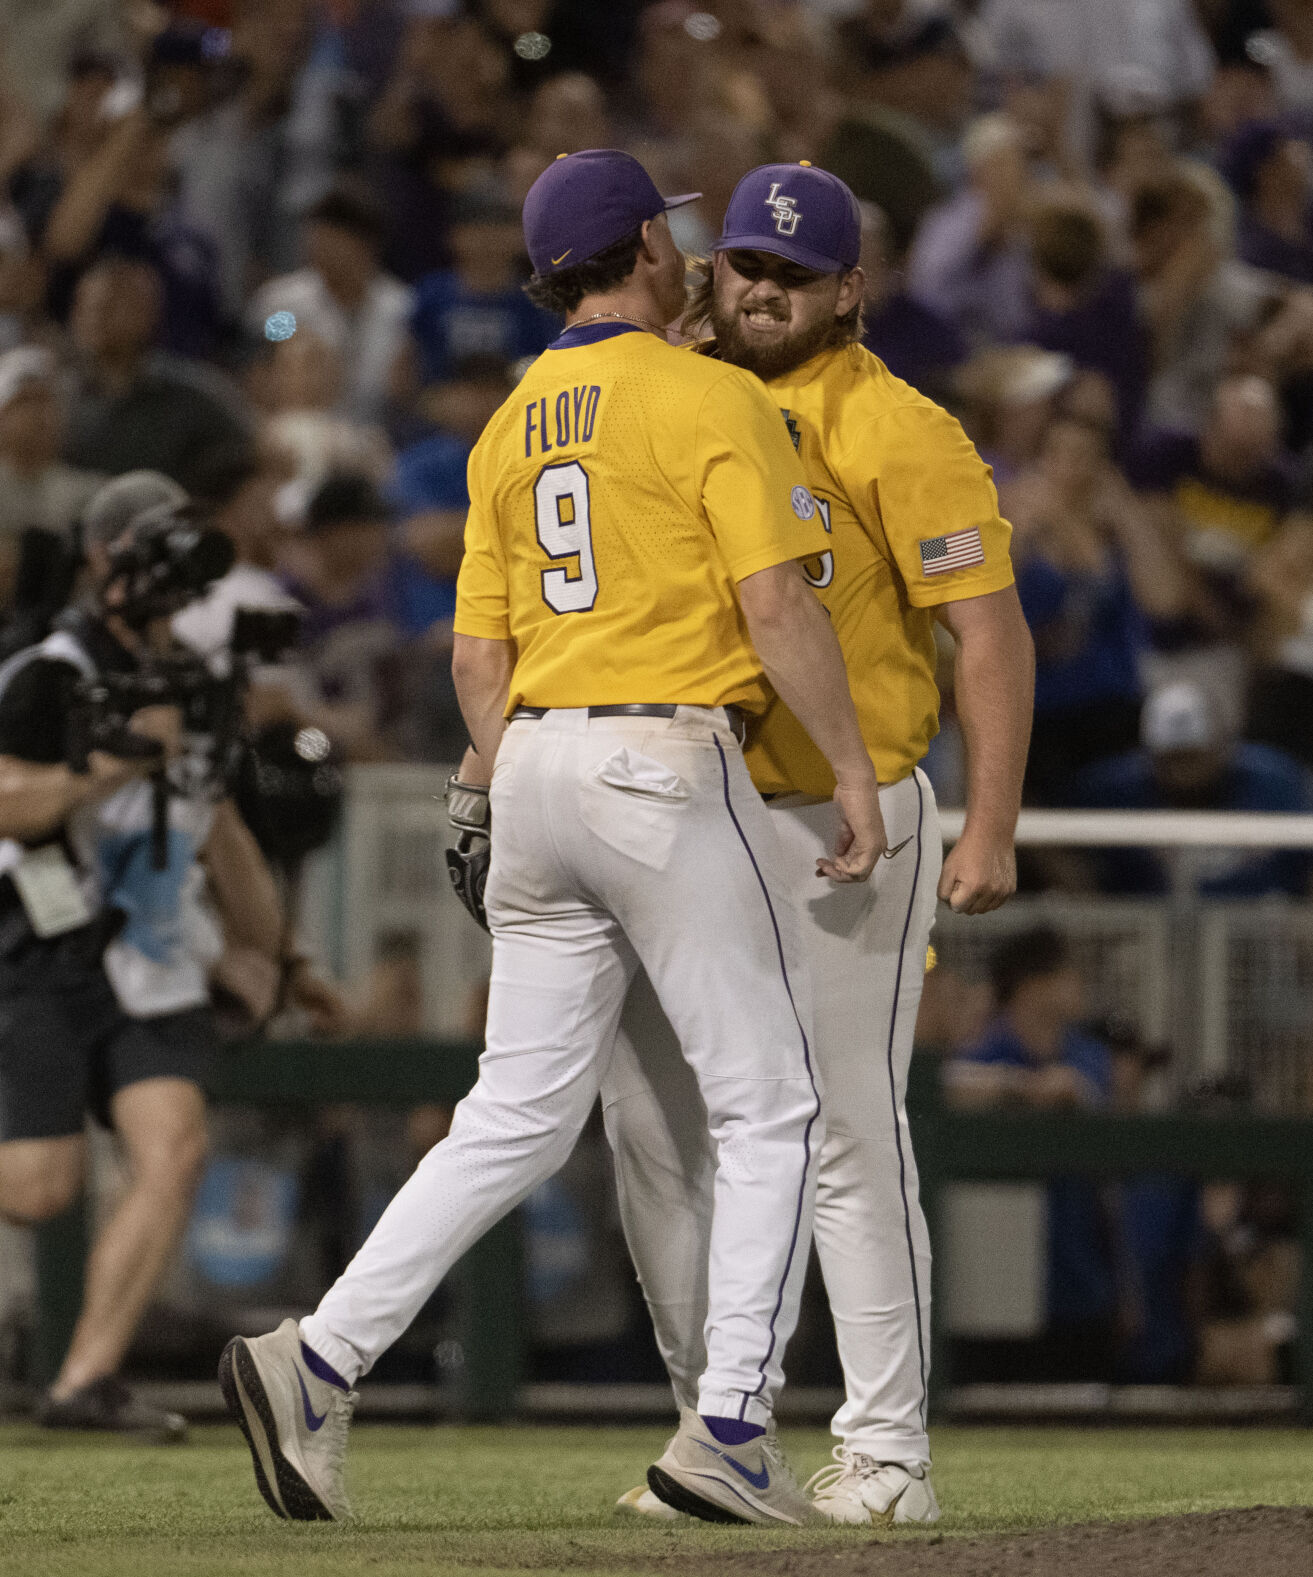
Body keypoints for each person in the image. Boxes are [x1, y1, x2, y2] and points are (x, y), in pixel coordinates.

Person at [220, 146, 885, 1528]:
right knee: (768, 1106)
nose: (687, 251)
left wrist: (511, 780)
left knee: (513, 1117)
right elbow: (776, 607)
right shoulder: (704, 394)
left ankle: (319, 1357)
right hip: (658, 760)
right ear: (644, 246)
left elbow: (478, 657)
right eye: (672, 232)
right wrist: (855, 774)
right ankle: (732, 1431)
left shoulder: (507, 422)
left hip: (526, 761)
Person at [604, 162, 1033, 1529]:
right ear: (712, 272)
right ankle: (721, 1433)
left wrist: (992, 821)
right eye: (746, 267)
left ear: (851, 288)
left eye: (794, 273)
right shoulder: (686, 397)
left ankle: (889, 1446)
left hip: (847, 817)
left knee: (848, 1129)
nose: (765, 291)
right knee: (669, 1131)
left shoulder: (896, 426)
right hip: (695, 816)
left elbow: (990, 629)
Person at [0, 476, 281, 1440]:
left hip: (153, 965)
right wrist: (121, 760)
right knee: (39, 1189)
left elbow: (222, 829)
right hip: (39, 947)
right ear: (101, 555)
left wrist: (273, 953)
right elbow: (5, 800)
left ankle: (85, 1379)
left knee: (176, 1149)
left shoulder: (199, 680)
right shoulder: (47, 668)